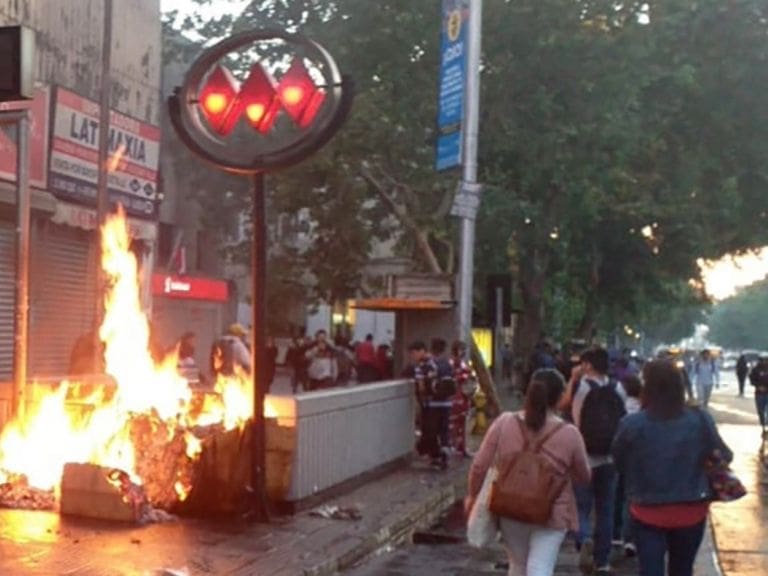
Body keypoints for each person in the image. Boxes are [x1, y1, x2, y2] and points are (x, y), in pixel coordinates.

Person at [612, 360, 733, 576]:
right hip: (691, 508)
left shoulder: (632, 424)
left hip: (646, 507)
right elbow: (724, 455)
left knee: (649, 570)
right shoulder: (699, 419)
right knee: (682, 569)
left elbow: (619, 462)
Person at [467, 369, 591, 576]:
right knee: (540, 567)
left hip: (509, 505)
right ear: (560, 397)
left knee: (517, 565)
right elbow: (584, 476)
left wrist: (472, 496)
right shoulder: (570, 434)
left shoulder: (504, 422)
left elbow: (479, 465)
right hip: (552, 511)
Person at [561, 347, 626, 576]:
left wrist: (573, 378)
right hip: (610, 457)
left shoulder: (582, 387)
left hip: (584, 456)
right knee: (606, 509)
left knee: (582, 506)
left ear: (588, 365)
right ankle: (602, 560)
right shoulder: (617, 387)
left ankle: (584, 538)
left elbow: (565, 405)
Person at [613, 374, 643, 558]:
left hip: (623, 459)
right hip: (639, 462)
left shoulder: (621, 408)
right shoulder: (644, 410)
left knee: (618, 496)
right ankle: (629, 537)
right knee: (630, 499)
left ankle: (617, 534)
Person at [403, 341, 444, 469]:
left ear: (422, 350)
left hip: (430, 403)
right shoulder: (431, 363)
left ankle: (437, 456)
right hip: (433, 402)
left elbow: (422, 385)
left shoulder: (425, 365)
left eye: (414, 353)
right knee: (429, 429)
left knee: (430, 430)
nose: (412, 356)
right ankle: (434, 455)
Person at [431, 338, 457, 461]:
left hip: (433, 402)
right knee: (444, 428)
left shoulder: (431, 363)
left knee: (433, 429)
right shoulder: (448, 363)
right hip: (446, 402)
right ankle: (445, 449)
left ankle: (436, 455)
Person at [449, 340, 473, 457]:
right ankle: (452, 445)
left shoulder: (464, 364)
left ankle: (462, 447)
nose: (462, 353)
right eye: (461, 350)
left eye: (464, 350)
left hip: (464, 397)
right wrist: (462, 377)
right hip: (454, 397)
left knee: (463, 423)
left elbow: (470, 377)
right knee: (453, 422)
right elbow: (452, 379)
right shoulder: (450, 364)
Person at [749, 357, 768, 438]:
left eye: (766, 360)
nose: (764, 361)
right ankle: (763, 426)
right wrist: (758, 386)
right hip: (759, 393)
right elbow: (752, 380)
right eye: (762, 360)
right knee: (760, 411)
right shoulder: (755, 369)